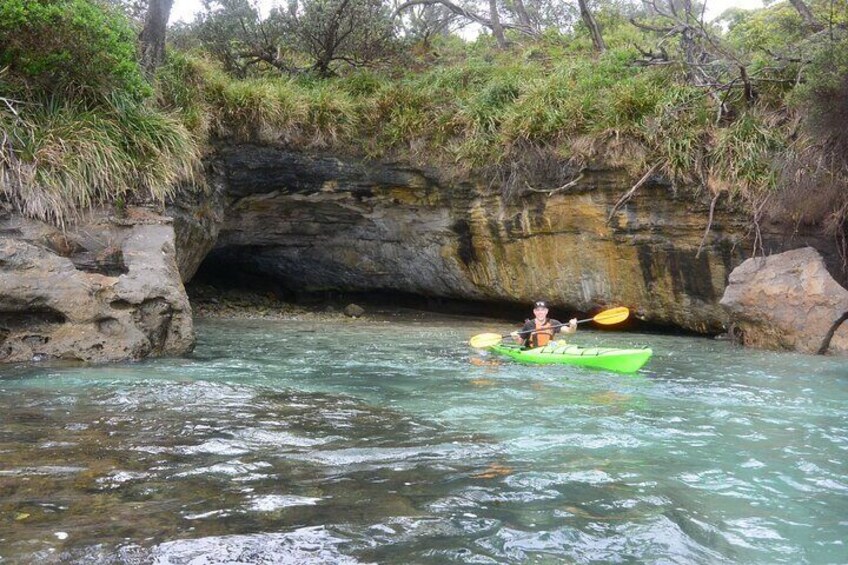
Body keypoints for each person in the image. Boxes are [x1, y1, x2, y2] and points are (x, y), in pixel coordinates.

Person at [511, 300, 577, 348]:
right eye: (538, 310)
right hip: (531, 351)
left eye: (543, 310)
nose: (540, 312)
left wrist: (573, 325)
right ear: (534, 312)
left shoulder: (553, 323)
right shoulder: (529, 324)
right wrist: (516, 337)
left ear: (546, 311)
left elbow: (570, 331)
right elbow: (520, 343)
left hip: (547, 350)